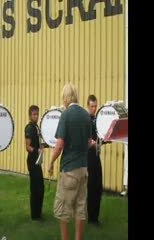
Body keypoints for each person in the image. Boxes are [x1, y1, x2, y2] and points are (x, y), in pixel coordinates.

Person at [48, 84, 94, 240]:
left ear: (66, 98)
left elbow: (59, 145)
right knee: (81, 209)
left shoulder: (66, 115)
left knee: (64, 210)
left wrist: (51, 162)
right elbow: (89, 142)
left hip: (69, 169)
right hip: (83, 169)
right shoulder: (86, 115)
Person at [24, 105, 44, 220]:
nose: (36, 116)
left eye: (37, 114)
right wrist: (37, 150)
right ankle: (34, 215)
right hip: (32, 161)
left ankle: (38, 212)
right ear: (30, 115)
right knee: (35, 187)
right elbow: (28, 147)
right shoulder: (29, 128)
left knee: (40, 187)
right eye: (34, 114)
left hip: (37, 160)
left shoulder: (37, 127)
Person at [86, 94, 103, 226]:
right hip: (89, 157)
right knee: (91, 187)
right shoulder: (85, 120)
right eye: (92, 106)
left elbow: (100, 137)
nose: (94, 108)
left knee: (98, 186)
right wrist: (92, 143)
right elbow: (84, 141)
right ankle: (91, 218)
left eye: (95, 106)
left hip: (96, 156)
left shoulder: (97, 119)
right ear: (88, 106)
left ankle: (95, 216)